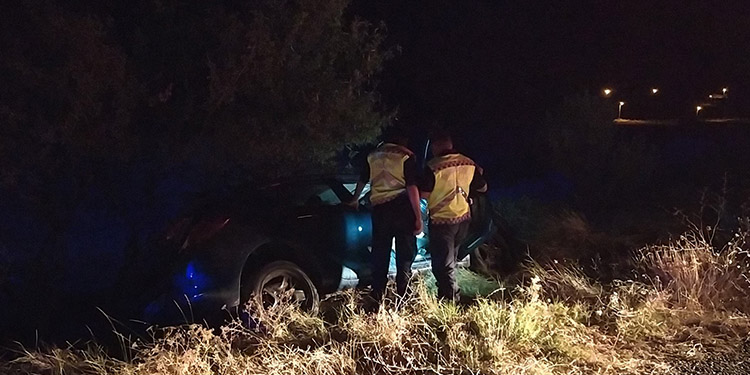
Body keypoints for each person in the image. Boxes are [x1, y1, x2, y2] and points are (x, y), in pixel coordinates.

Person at [348, 128, 423, 303]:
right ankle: (402, 296)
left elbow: (363, 179)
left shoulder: (373, 156)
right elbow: (412, 187)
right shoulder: (406, 155)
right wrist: (418, 216)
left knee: (380, 253)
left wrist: (354, 199)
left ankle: (377, 295)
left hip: (380, 210)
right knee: (404, 254)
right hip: (402, 208)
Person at [420, 131, 487, 302]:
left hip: (442, 222)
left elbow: (423, 195)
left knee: (442, 264)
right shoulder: (468, 163)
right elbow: (483, 188)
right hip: (463, 219)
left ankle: (450, 299)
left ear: (436, 146)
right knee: (450, 261)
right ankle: (446, 295)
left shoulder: (433, 166)